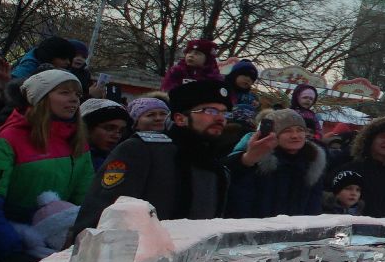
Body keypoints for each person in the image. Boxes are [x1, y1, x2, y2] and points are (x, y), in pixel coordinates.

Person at [79, 79, 244, 230]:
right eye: (210, 111)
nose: (221, 118)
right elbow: (99, 213)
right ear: (180, 119)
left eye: (224, 113)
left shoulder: (217, 168)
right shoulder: (142, 151)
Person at [0, 69, 93, 235]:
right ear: (40, 98)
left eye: (78, 94)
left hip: (59, 240)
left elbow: (84, 198)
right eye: (64, 92)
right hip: (14, 238)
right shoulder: (7, 141)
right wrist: (12, 248)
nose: (74, 99)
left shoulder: (78, 141)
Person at [226, 110, 327, 217]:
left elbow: (314, 206)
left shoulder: (312, 162)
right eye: (287, 131)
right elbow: (241, 202)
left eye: (300, 130)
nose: (295, 135)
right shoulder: (256, 161)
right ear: (273, 135)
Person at [77, 98, 132, 173]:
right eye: (109, 128)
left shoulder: (120, 160)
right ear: (87, 128)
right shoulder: (69, 158)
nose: (116, 136)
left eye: (121, 131)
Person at [7, 35, 76, 84]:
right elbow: (13, 87)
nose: (68, 62)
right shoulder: (27, 68)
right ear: (51, 56)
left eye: (69, 59)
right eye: (63, 58)